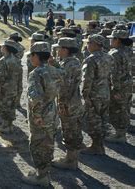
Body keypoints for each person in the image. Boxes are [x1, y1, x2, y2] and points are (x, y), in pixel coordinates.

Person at [22, 42, 62, 187]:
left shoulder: (36, 73)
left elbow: (35, 97)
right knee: (48, 141)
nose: (30, 59)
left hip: (41, 115)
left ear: (36, 56)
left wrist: (37, 115)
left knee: (38, 143)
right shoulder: (55, 70)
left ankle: (42, 176)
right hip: (52, 111)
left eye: (31, 55)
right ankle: (44, 172)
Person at [51, 38, 84, 170]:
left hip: (68, 102)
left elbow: (65, 86)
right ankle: (71, 158)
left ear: (65, 49)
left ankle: (71, 161)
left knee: (69, 131)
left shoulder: (68, 64)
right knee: (74, 129)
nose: (57, 51)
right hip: (74, 100)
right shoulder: (72, 61)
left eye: (59, 48)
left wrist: (62, 104)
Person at [80, 34, 113, 155]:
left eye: (88, 43)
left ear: (95, 44)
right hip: (105, 92)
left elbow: (87, 80)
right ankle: (100, 145)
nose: (87, 45)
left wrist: (85, 95)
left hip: (94, 94)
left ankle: (96, 146)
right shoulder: (108, 57)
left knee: (93, 120)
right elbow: (110, 76)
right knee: (103, 118)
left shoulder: (91, 59)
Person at [106, 30, 132, 143]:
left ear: (118, 40)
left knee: (116, 109)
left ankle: (120, 135)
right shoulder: (128, 51)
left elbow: (114, 73)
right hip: (127, 83)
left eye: (112, 38)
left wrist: (115, 89)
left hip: (119, 85)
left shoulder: (115, 53)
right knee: (125, 108)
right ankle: (122, 133)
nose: (110, 40)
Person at [0, 40, 23, 133]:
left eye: (2, 46)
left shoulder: (3, 60)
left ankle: (5, 126)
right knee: (11, 106)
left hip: (5, 88)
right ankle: (10, 125)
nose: (1, 47)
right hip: (14, 87)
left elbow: (1, 76)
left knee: (4, 106)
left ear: (6, 48)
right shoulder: (16, 59)